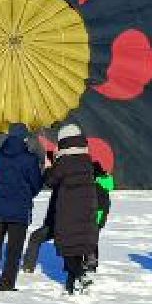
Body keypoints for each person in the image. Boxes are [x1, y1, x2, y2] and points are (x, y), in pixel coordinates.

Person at [41, 124, 108, 294]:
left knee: (68, 247)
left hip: (68, 211)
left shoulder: (63, 162)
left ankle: (78, 276)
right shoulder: (86, 160)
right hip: (86, 209)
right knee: (79, 244)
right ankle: (73, 284)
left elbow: (50, 181)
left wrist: (49, 165)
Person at [0, 125, 44, 291]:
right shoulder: (30, 159)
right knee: (14, 249)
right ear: (24, 139)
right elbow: (36, 184)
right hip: (19, 210)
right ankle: (7, 283)